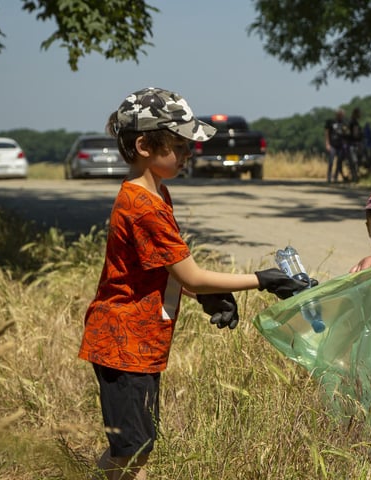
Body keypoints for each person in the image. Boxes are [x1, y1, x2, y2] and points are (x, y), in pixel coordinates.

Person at [78, 87, 309, 480]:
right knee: (131, 451)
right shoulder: (142, 205)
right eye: (180, 145)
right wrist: (265, 279)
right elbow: (191, 274)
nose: (189, 154)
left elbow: (162, 270)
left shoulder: (156, 194)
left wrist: (206, 295)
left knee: (137, 446)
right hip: (122, 343)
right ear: (144, 145)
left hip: (140, 341)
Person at [324, 108, 349, 182]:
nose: (341, 116)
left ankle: (336, 177)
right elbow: (327, 133)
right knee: (331, 161)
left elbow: (346, 134)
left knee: (339, 162)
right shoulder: (331, 122)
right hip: (332, 145)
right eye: (340, 115)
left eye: (342, 115)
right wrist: (327, 143)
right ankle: (329, 177)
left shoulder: (344, 123)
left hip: (341, 146)